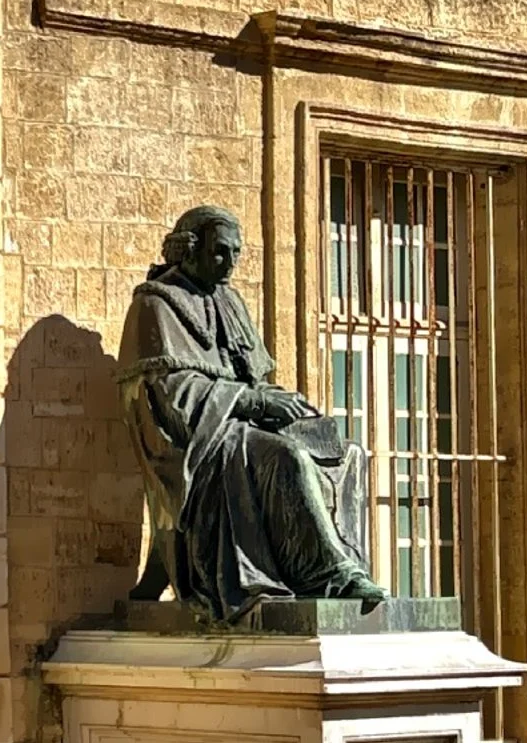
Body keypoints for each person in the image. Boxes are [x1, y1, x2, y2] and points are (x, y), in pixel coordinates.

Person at [118, 204, 387, 620]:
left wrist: (282, 404)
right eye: (220, 252)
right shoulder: (156, 306)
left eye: (237, 253)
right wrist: (253, 402)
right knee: (286, 457)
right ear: (189, 251)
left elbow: (252, 376)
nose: (230, 263)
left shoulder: (230, 302)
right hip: (200, 443)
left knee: (346, 453)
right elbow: (171, 396)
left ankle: (338, 563)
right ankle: (330, 576)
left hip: (240, 422)